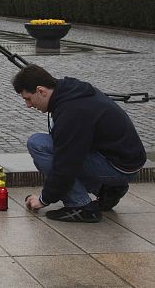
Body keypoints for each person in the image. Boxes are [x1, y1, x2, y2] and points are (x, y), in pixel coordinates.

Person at [12, 64, 146, 222]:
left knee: (38, 145)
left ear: (41, 91)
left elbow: (66, 164)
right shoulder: (69, 91)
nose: (28, 105)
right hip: (125, 160)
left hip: (120, 167)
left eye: (28, 98)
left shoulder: (72, 112)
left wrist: (43, 199)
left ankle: (81, 206)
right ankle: (107, 190)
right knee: (52, 148)